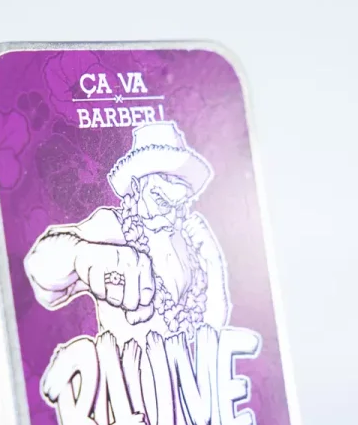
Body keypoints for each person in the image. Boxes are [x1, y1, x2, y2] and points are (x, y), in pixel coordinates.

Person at [25, 121, 230, 346]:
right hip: (124, 365)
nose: (174, 197)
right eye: (164, 181)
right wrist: (81, 256)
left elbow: (214, 324)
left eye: (179, 182)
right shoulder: (114, 225)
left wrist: (213, 263)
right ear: (137, 185)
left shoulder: (192, 242)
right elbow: (42, 268)